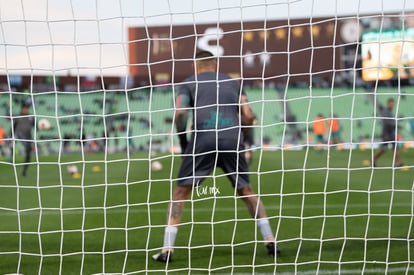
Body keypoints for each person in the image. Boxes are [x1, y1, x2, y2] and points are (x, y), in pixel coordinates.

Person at [152, 51, 279, 263]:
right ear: (216, 64)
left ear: (196, 65)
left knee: (181, 193)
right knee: (246, 190)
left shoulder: (190, 83)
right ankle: (270, 240)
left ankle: (167, 249)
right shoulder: (233, 82)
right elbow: (248, 115)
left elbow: (180, 113)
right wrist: (244, 139)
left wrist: (184, 140)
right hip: (231, 139)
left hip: (203, 139)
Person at [372, 98, 403, 167]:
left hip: (391, 133)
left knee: (395, 148)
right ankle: (373, 160)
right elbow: (387, 122)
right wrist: (397, 126)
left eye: (393, 104)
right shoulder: (386, 112)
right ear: (388, 103)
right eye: (391, 103)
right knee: (384, 148)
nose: (392, 105)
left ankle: (398, 163)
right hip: (386, 133)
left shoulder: (390, 112)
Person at [12, 102, 35, 176]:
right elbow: (13, 128)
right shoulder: (18, 117)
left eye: (26, 108)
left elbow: (35, 127)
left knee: (28, 153)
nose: (25, 110)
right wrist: (10, 137)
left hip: (28, 136)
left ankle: (24, 171)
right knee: (26, 144)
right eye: (24, 108)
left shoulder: (31, 117)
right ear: (21, 109)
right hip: (20, 135)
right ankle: (14, 150)